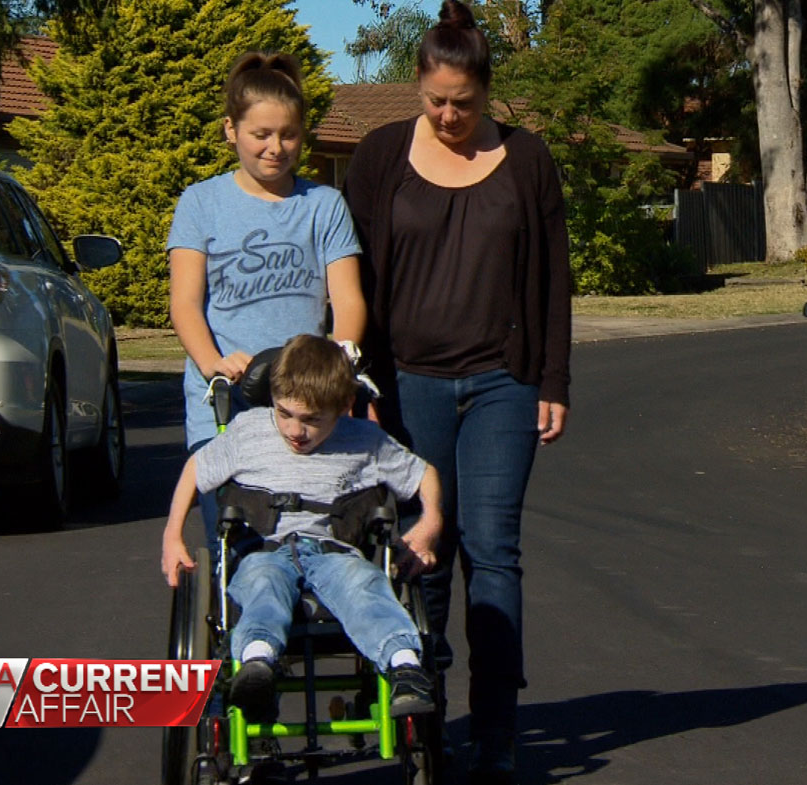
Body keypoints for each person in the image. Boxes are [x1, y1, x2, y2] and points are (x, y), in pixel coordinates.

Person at [342, 2, 571, 781]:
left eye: (463, 104)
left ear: (486, 92)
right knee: (423, 555)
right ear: (418, 86)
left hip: (503, 384)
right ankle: (424, 723)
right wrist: (357, 378)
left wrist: (553, 379)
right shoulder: (377, 158)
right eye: (435, 100)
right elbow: (353, 279)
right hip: (408, 387)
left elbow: (552, 281)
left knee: (494, 552)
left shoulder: (529, 159)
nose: (447, 115)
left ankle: (497, 732)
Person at [160, 334, 443, 722]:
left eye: (312, 420)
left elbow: (424, 474)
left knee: (365, 586)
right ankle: (258, 663)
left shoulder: (365, 441)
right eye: (284, 413)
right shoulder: (249, 431)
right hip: (266, 549)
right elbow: (196, 469)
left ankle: (405, 666)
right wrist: (172, 536)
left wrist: (430, 524)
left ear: (343, 407)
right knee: (261, 585)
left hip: (335, 552)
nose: (295, 430)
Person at [166, 51, 366, 551]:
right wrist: (214, 364)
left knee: (320, 537)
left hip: (307, 400)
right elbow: (185, 304)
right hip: (227, 402)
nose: (276, 148)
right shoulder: (201, 203)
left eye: (288, 135)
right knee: (240, 546)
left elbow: (348, 300)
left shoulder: (323, 206)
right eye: (261, 135)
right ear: (231, 130)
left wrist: (342, 356)